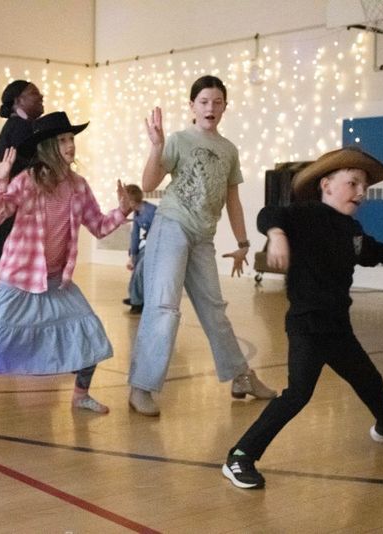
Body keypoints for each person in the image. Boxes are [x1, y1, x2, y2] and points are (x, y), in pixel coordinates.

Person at [221, 147, 383, 490]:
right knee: (297, 394)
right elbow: (269, 214)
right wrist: (276, 235)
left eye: (364, 187)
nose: (361, 192)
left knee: (368, 379)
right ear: (326, 185)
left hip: (337, 327)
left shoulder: (351, 230)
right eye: (353, 183)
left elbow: (371, 249)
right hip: (308, 326)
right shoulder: (305, 216)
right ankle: (240, 456)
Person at [0, 111, 131, 428]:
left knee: (90, 335)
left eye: (71, 139)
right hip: (17, 279)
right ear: (48, 147)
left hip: (56, 281)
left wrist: (121, 211)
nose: (70, 145)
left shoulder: (78, 186)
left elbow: (98, 225)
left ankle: (80, 395)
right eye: (62, 140)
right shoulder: (26, 181)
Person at [128, 75, 276, 416]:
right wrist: (156, 146)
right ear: (192, 106)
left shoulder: (229, 150)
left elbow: (233, 200)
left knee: (214, 310)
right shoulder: (179, 140)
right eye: (204, 102)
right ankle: (141, 387)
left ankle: (241, 377)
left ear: (225, 107)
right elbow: (148, 183)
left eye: (217, 102)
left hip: (202, 237)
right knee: (164, 307)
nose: (211, 107)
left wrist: (243, 242)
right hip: (172, 227)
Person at [0, 80, 45, 272]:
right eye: (34, 93)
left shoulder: (16, 126)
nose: (41, 96)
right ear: (19, 100)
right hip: (16, 209)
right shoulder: (21, 127)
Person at [122, 184, 156, 315]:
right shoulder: (136, 214)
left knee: (141, 267)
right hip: (148, 243)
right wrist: (132, 256)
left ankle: (138, 301)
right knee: (136, 264)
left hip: (157, 244)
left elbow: (160, 230)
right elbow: (134, 236)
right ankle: (135, 298)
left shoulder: (151, 211)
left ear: (131, 200)